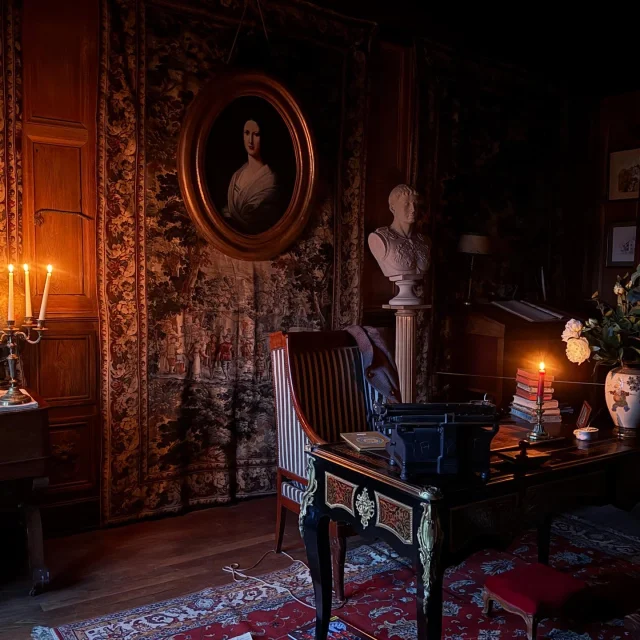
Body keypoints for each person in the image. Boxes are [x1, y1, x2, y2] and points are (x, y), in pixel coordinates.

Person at [223, 118, 280, 234]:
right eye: (247, 133)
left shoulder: (270, 180)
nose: (250, 140)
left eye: (256, 134)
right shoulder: (237, 174)